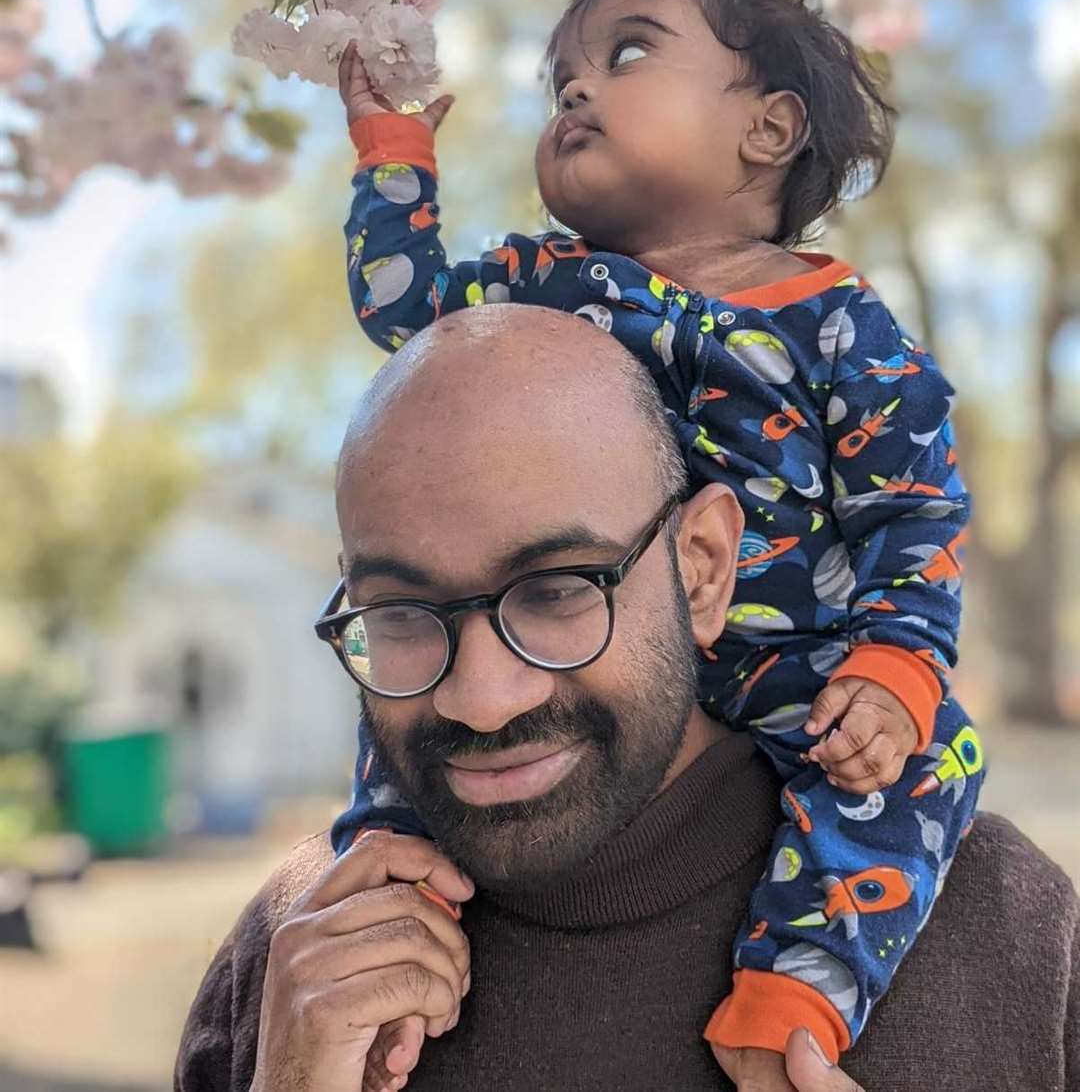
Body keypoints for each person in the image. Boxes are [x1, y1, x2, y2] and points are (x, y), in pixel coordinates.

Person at [332, 0, 982, 1071]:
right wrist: (394, 150)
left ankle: (796, 992)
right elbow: (403, 310)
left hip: (795, 663)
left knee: (930, 760)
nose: (576, 89)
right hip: (575, 639)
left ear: (768, 131)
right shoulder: (545, 282)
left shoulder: (839, 325)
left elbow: (914, 507)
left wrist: (895, 666)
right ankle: (394, 883)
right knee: (422, 660)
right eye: (560, 79)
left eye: (625, 54)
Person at [174, 307, 1079, 1092]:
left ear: (704, 569)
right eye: (401, 611)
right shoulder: (300, 955)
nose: (481, 701)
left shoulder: (1009, 931)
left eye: (560, 589)